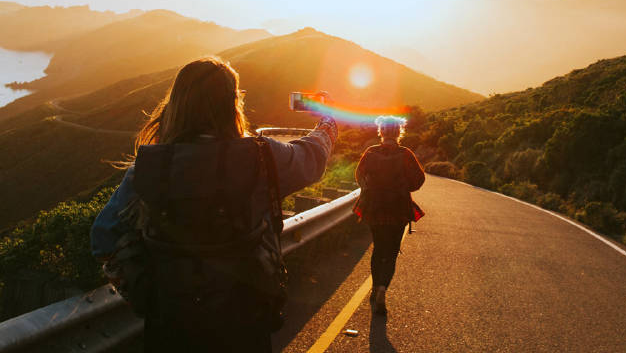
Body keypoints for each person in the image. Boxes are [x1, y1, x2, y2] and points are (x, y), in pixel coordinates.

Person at [90, 57, 337, 352]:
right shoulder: (260, 157)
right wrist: (328, 122)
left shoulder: (151, 166)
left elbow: (103, 237)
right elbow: (312, 157)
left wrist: (146, 292)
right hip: (245, 324)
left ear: (178, 103)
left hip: (169, 327)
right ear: (233, 104)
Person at [353, 115, 425, 315]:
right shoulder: (405, 154)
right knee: (392, 252)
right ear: (398, 132)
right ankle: (383, 287)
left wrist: (369, 190)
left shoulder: (370, 152)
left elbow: (359, 176)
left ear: (381, 131)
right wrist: (404, 188)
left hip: (375, 208)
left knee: (378, 249)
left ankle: (375, 287)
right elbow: (419, 179)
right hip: (399, 208)